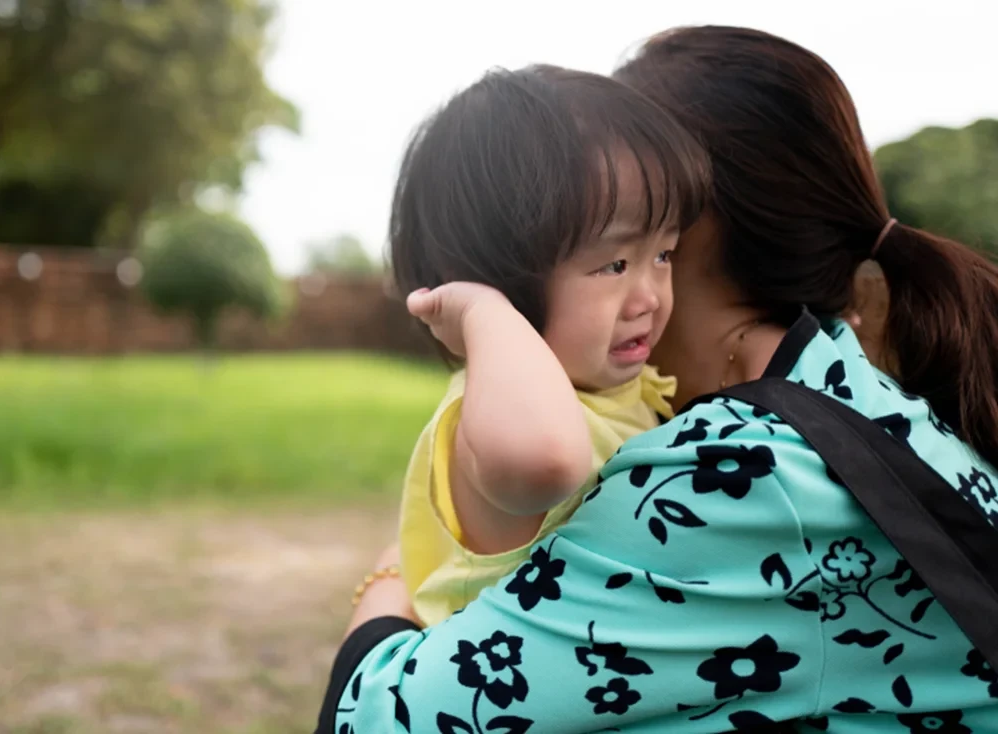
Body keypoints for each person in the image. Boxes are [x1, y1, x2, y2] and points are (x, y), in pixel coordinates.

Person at [318, 26, 998, 733]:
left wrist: (390, 578)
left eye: (656, 249)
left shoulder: (740, 472)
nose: (643, 284)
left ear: (686, 224)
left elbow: (377, 721)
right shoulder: (841, 392)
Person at [387, 65, 706, 627]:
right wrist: (485, 312)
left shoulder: (631, 390)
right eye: (614, 264)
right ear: (489, 278)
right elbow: (548, 463)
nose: (650, 297)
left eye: (664, 255)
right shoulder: (487, 424)